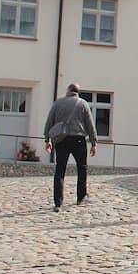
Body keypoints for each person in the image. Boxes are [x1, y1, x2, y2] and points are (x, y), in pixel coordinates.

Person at [44, 84, 97, 212]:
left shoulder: (58, 103)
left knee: (60, 170)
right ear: (78, 92)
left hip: (61, 139)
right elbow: (90, 124)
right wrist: (94, 142)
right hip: (78, 139)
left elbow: (49, 121)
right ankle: (81, 197)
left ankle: (58, 202)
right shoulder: (83, 104)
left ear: (68, 90)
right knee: (82, 168)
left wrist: (47, 140)